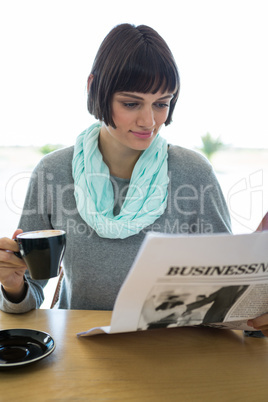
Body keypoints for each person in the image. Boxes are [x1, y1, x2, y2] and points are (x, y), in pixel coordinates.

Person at [0, 23, 267, 336]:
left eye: (162, 103)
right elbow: (29, 294)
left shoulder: (194, 173)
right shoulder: (53, 173)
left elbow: (229, 293)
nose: (149, 121)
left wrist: (256, 315)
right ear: (94, 88)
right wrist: (13, 285)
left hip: (170, 351)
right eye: (131, 103)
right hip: (80, 352)